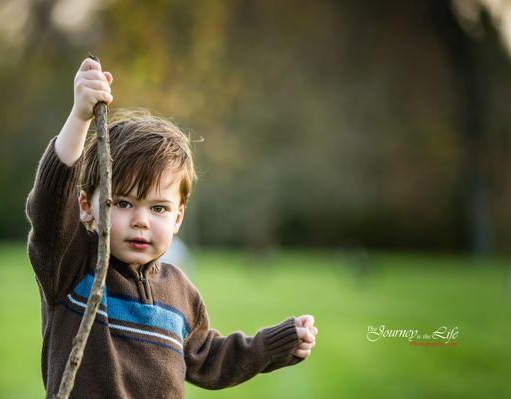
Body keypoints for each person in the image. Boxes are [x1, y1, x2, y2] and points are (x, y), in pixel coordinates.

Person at [25, 57, 318, 398]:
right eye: (121, 203)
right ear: (86, 207)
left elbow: (209, 357)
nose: (141, 220)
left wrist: (274, 345)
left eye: (159, 208)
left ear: (178, 217)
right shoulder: (72, 266)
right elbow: (48, 207)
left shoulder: (179, 292)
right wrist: (79, 118)